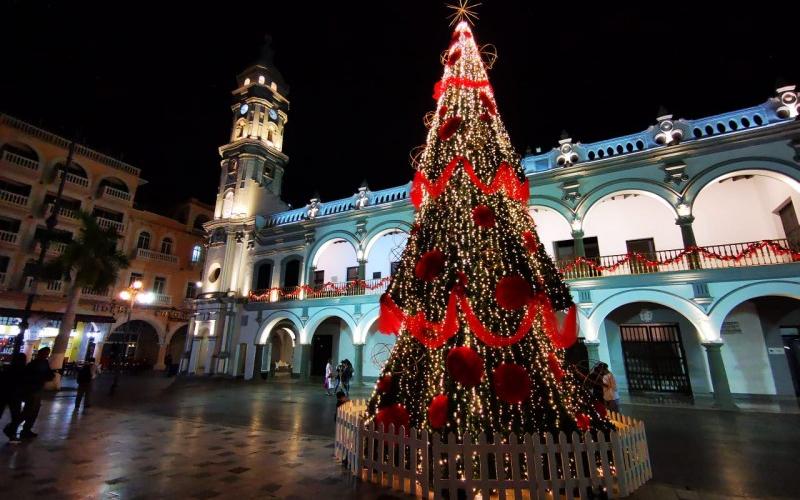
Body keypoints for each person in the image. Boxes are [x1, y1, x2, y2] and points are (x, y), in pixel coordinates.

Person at [19, 347, 56, 439]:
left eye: (48, 354)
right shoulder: (34, 364)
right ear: (40, 354)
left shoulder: (44, 363)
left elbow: (48, 374)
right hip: (32, 390)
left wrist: (50, 375)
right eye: (45, 353)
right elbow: (28, 377)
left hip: (38, 389)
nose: (46, 355)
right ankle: (14, 427)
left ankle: (27, 429)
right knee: (29, 410)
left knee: (34, 411)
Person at [1, 353, 28, 443]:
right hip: (15, 395)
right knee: (16, 416)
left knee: (14, 416)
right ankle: (11, 433)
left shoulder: (7, 369)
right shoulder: (23, 370)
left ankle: (11, 433)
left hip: (4, 394)